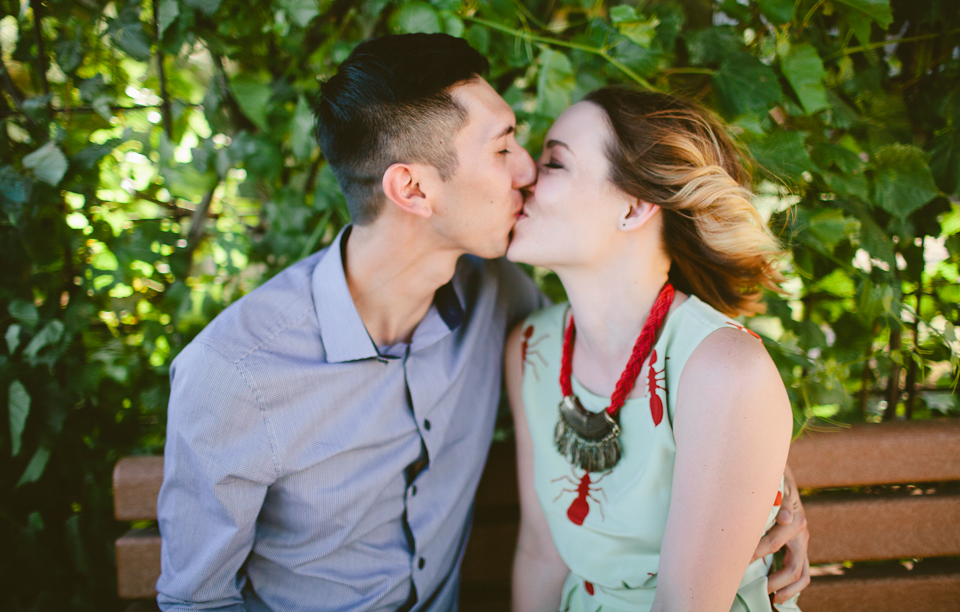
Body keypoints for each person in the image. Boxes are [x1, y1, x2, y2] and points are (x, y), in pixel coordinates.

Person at [156, 34, 808, 612]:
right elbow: (196, 600)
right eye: (504, 149)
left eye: (543, 155)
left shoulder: (501, 301)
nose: (525, 172)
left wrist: (762, 485)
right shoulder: (235, 374)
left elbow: (672, 374)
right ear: (412, 190)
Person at [504, 87, 805, 612]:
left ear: (635, 206)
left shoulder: (725, 371)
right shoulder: (532, 347)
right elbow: (541, 552)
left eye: (554, 162)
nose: (526, 175)